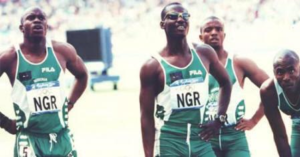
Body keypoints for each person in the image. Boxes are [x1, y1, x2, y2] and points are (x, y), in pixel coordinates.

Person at [139, 3, 232, 157]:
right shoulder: (153, 66)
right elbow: (146, 117)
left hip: (201, 140)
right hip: (170, 142)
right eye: (173, 16)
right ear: (162, 24)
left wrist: (219, 118)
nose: (180, 20)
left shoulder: (204, 53)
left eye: (185, 16)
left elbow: (226, 83)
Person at [0, 6, 88, 157]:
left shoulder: (63, 51)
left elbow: (82, 75)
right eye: (31, 18)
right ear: (22, 28)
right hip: (29, 140)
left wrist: (70, 103)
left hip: (62, 137)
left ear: (47, 26)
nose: (37, 21)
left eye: (41, 18)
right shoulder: (9, 57)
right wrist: (6, 123)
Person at [199, 16, 269, 157]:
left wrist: (254, 120)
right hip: (205, 137)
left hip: (234, 137)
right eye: (208, 30)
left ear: (224, 35)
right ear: (200, 37)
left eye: (218, 29)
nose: (214, 32)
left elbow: (271, 88)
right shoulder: (193, 66)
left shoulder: (238, 63)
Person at [260, 49, 300, 157]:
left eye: (291, 71)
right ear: (274, 73)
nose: (286, 78)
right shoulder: (268, 91)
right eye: (280, 72)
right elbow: (279, 135)